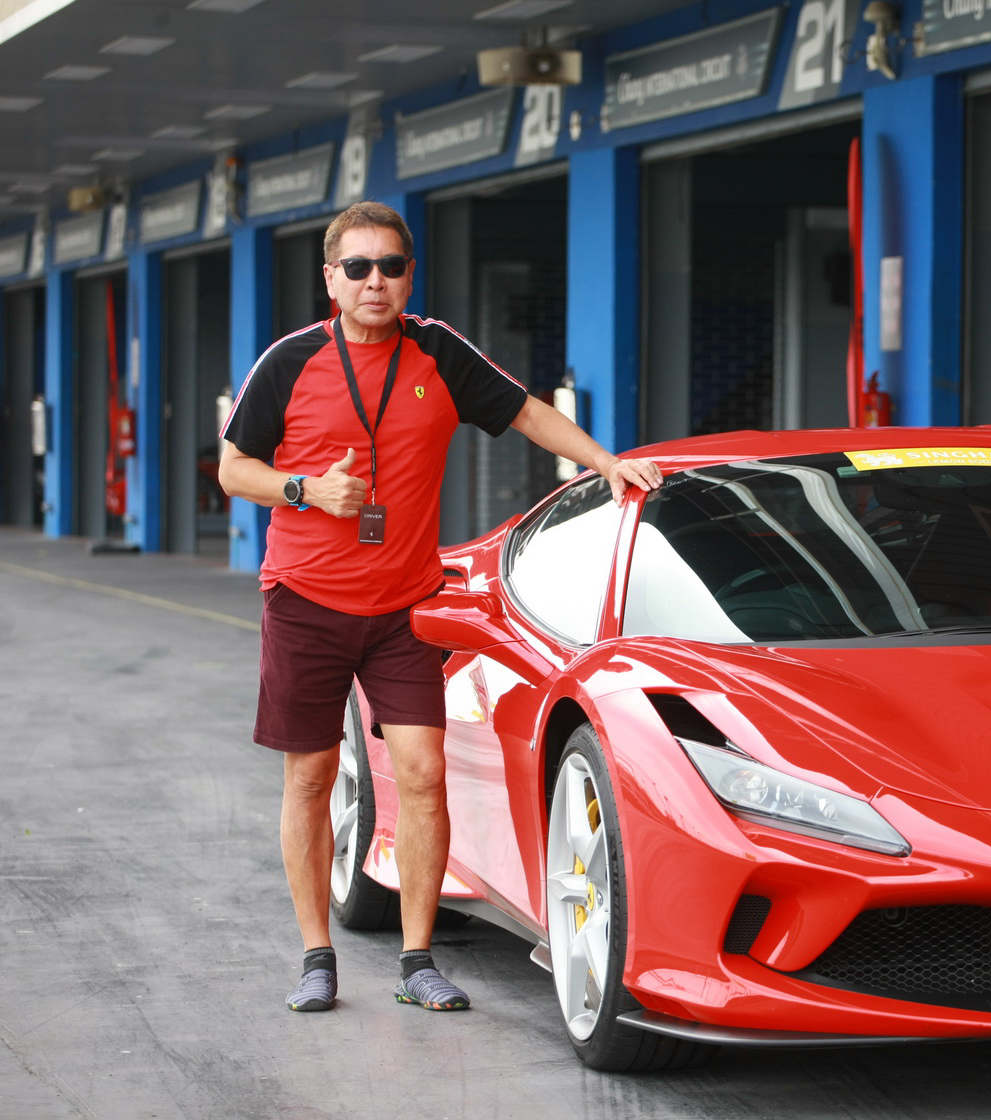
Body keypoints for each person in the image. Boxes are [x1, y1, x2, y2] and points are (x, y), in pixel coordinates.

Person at [217, 201, 661, 1014]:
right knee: (312, 776)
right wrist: (307, 489)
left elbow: (525, 411)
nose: (375, 281)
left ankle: (417, 959)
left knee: (422, 776)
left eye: (390, 265)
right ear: (331, 279)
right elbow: (232, 468)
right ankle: (317, 957)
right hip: (307, 600)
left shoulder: (438, 352)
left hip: (405, 607)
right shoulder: (288, 363)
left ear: (409, 274)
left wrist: (605, 461)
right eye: (357, 267)